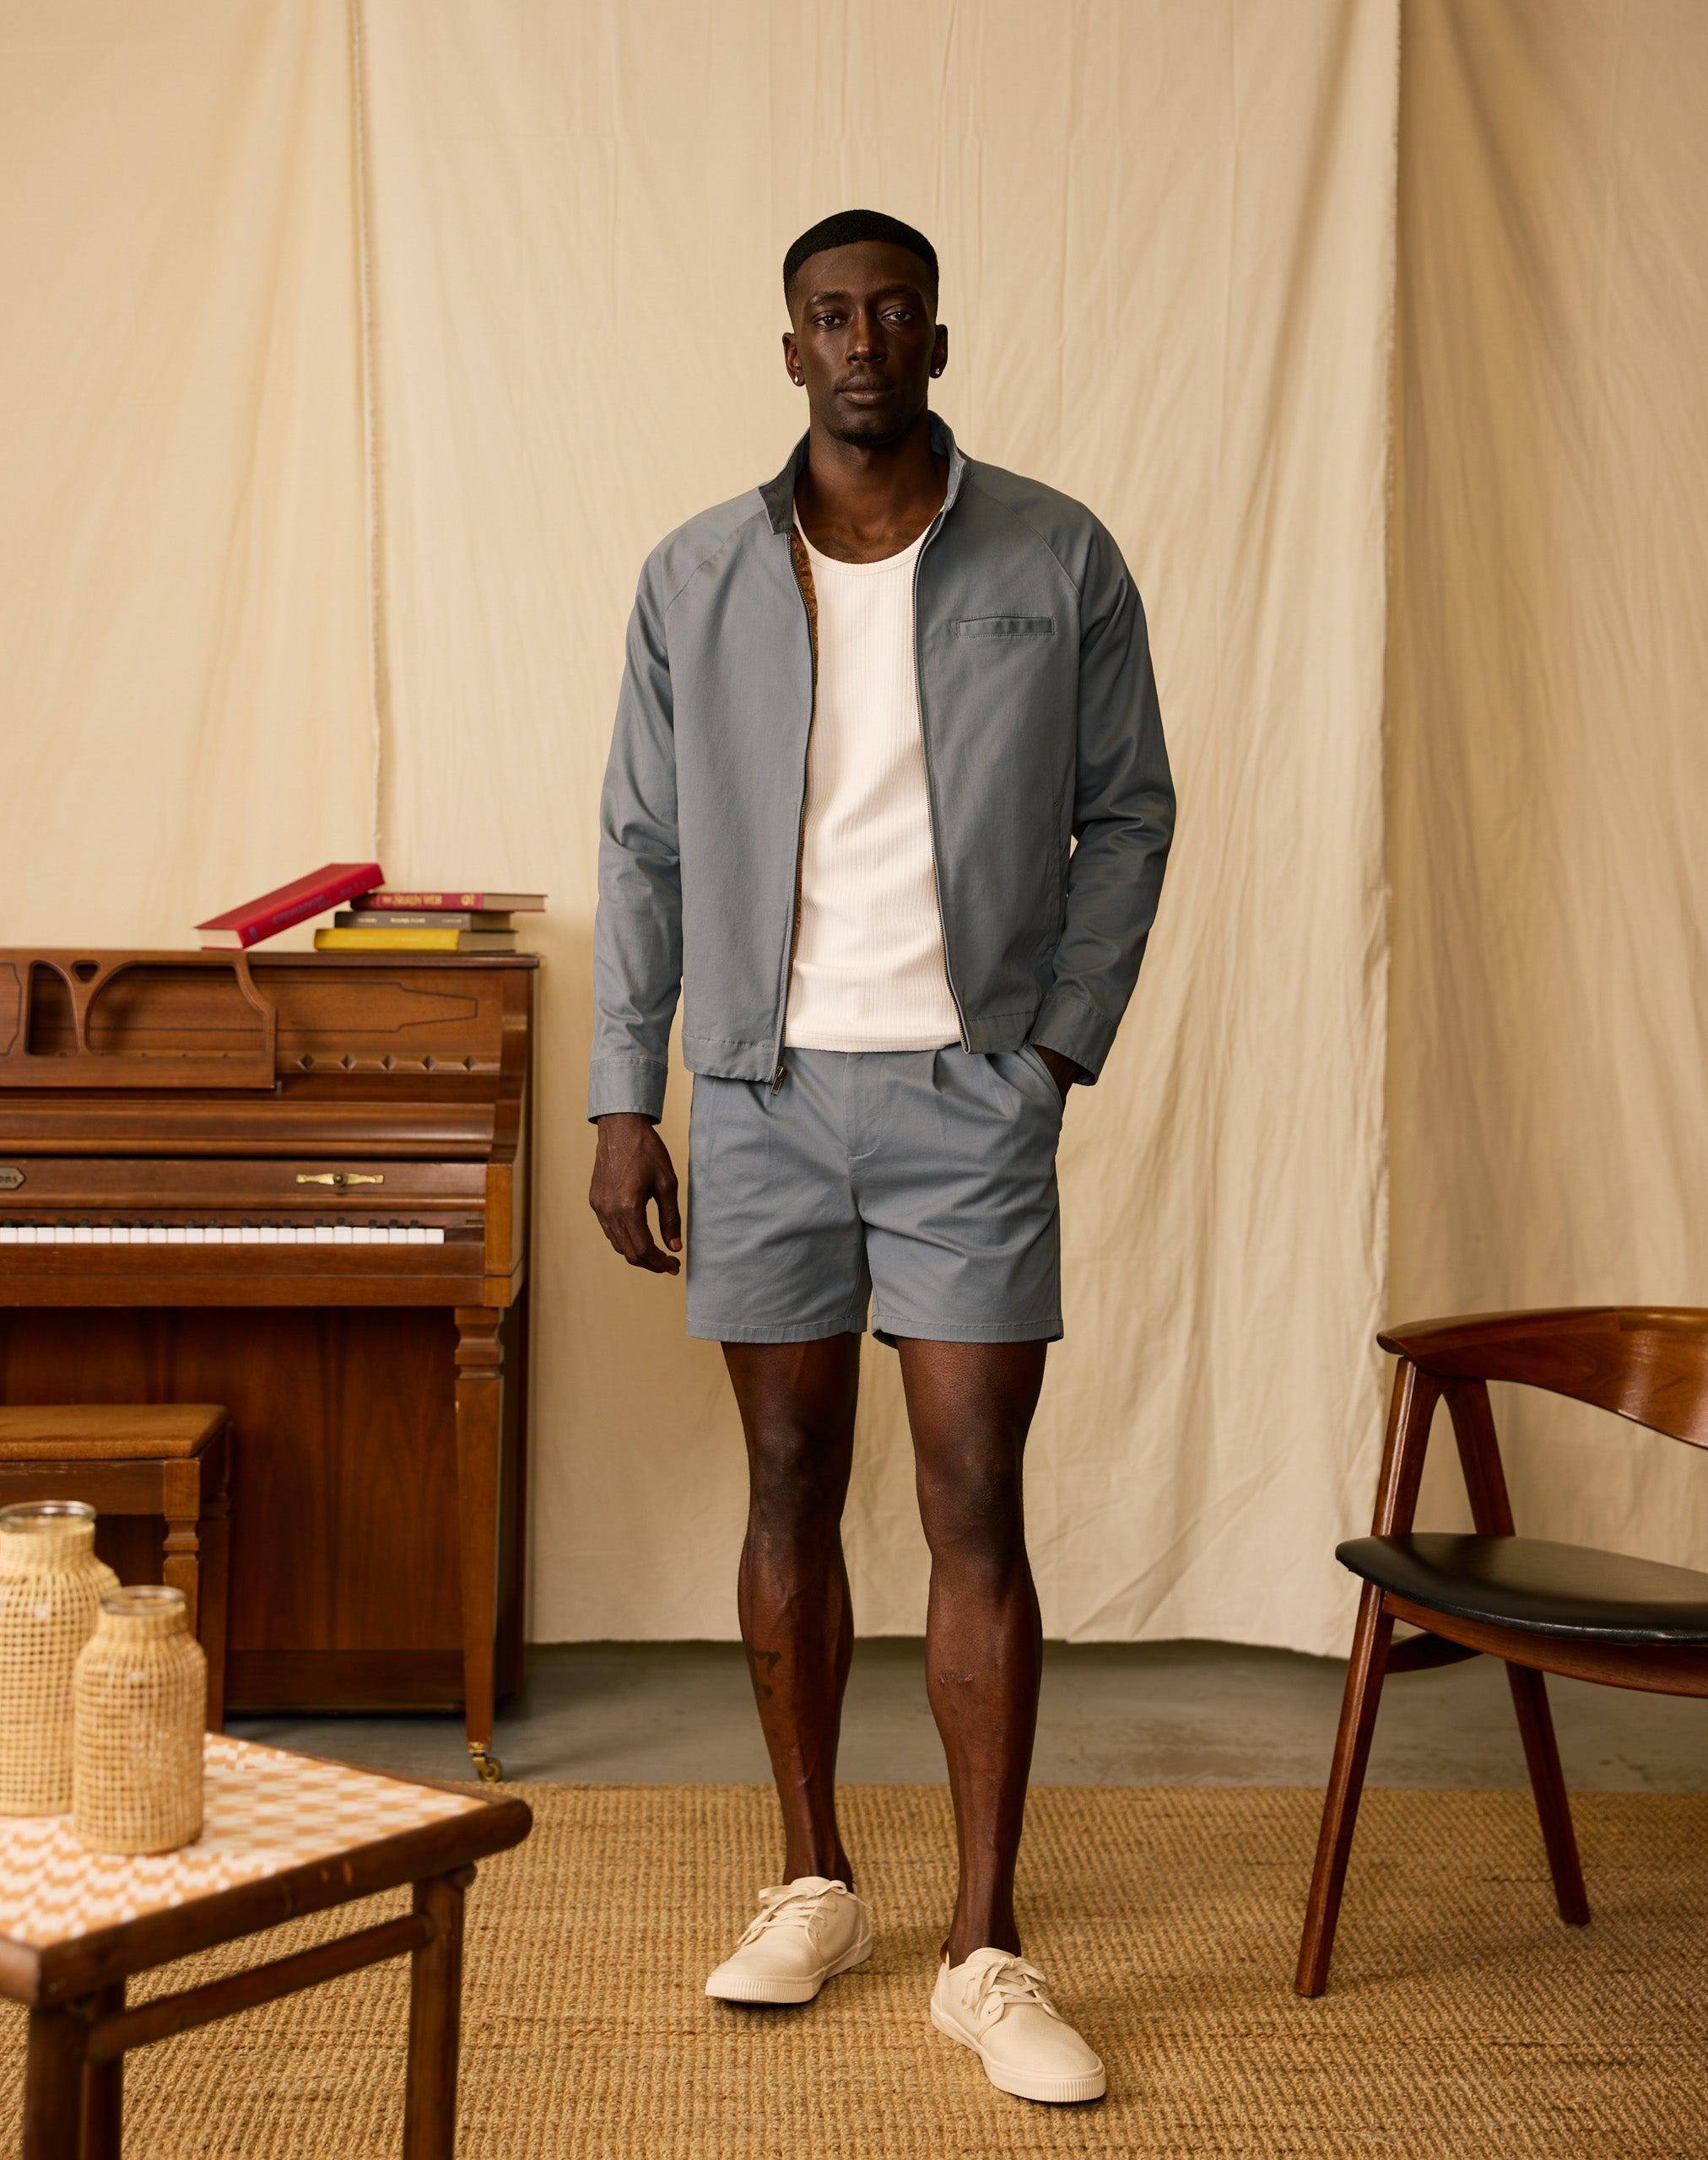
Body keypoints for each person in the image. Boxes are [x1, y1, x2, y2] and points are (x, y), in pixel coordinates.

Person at [588, 207, 1173, 2105]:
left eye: (889, 312)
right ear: (789, 348)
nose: (859, 341)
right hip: (758, 1094)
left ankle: (985, 1942)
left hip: (962, 1096)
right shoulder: (695, 574)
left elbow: (1128, 808)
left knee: (971, 1501)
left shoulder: (1053, 553)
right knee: (780, 1481)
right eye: (827, 316)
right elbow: (645, 848)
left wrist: (1055, 1045)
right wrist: (628, 1093)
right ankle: (813, 1873)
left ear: (934, 336)